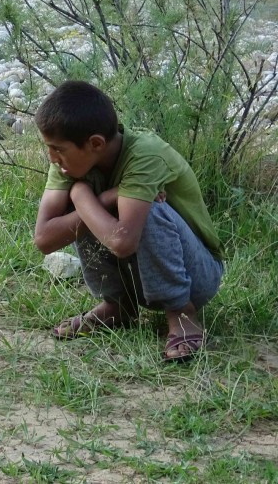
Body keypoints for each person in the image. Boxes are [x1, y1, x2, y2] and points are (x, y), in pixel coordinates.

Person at [32, 80, 223, 363]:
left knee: (148, 209)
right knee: (82, 213)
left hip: (196, 276)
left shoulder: (145, 154)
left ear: (95, 143)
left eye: (58, 149)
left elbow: (122, 242)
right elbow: (44, 239)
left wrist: (82, 195)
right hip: (138, 278)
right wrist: (103, 198)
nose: (52, 157)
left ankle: (181, 313)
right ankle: (118, 306)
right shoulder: (68, 161)